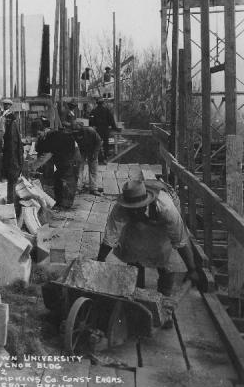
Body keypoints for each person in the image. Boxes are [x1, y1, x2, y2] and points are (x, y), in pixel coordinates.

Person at [97, 179, 199, 323]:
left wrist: (192, 269)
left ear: (145, 204)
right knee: (133, 253)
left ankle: (164, 305)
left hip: (161, 224)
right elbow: (110, 237)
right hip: (137, 226)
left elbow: (180, 241)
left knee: (166, 258)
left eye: (137, 208)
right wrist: (98, 262)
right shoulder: (120, 209)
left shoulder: (166, 208)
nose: (134, 211)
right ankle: (137, 297)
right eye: (130, 208)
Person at [36, 121, 81, 209]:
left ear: (44, 130)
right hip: (63, 155)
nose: (38, 136)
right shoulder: (47, 137)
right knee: (58, 178)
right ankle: (59, 201)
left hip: (72, 155)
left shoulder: (53, 137)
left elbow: (47, 155)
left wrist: (34, 166)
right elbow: (42, 151)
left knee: (68, 178)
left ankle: (66, 204)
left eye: (38, 134)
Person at [0, 99, 24, 212]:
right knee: (9, 184)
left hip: (11, 159)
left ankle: (11, 207)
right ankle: (10, 205)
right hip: (9, 157)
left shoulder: (12, 123)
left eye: (8, 105)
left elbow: (14, 146)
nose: (6, 106)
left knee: (11, 184)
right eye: (5, 104)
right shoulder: (4, 118)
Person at [72, 121, 102, 195]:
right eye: (75, 131)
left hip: (92, 149)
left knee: (93, 169)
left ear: (82, 128)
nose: (76, 133)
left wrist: (95, 153)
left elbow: (99, 142)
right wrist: (76, 155)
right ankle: (78, 188)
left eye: (78, 131)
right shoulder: (73, 133)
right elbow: (73, 145)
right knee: (79, 168)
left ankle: (93, 188)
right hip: (81, 151)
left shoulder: (91, 131)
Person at [89, 96, 120, 163]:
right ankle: (105, 159)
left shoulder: (93, 111)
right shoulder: (107, 110)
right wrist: (115, 128)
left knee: (98, 144)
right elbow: (111, 121)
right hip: (105, 130)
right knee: (106, 144)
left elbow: (90, 122)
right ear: (102, 103)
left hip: (97, 130)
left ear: (97, 103)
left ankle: (99, 159)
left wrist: (92, 127)